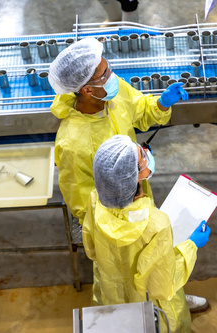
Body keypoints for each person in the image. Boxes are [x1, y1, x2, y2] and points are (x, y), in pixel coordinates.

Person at [48, 37, 188, 226]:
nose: (112, 76)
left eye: (108, 67)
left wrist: (161, 104)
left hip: (138, 198)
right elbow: (84, 206)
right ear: (88, 90)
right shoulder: (73, 145)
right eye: (105, 73)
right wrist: (131, 220)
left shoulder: (111, 92)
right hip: (115, 226)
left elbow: (139, 109)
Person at [82, 135, 211, 332]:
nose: (148, 154)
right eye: (143, 156)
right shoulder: (156, 225)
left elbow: (92, 251)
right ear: (134, 176)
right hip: (153, 305)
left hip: (112, 290)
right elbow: (163, 284)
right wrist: (191, 245)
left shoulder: (95, 201)